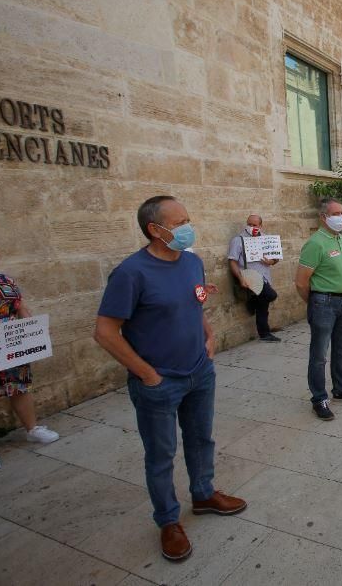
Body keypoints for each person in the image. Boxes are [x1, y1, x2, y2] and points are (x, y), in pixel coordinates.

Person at [95, 196, 245, 561]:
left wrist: (208, 336)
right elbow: (105, 331)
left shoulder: (192, 263)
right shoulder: (131, 272)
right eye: (179, 223)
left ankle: (204, 493)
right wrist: (146, 374)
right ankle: (168, 521)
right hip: (159, 383)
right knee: (161, 455)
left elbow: (194, 304)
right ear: (155, 230)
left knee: (200, 439)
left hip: (199, 372)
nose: (187, 228)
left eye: (188, 220)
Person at [0, 236, 59, 475]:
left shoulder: (4, 280)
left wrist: (34, 329)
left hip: (10, 345)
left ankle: (32, 429)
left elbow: (20, 307)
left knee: (19, 387)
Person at [294, 198, 342, 421]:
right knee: (319, 355)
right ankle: (319, 398)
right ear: (323, 217)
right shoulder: (315, 243)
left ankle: (341, 388)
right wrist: (316, 301)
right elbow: (301, 282)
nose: (340, 217)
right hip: (324, 303)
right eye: (335, 213)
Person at [227, 214, 281, 341]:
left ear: (261, 226)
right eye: (249, 224)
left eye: (254, 225)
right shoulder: (238, 240)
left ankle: (264, 333)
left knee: (263, 305)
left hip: (265, 277)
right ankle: (253, 303)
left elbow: (276, 257)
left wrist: (271, 262)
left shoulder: (267, 238)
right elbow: (232, 261)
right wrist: (241, 278)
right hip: (250, 276)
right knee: (271, 295)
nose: (251, 227)